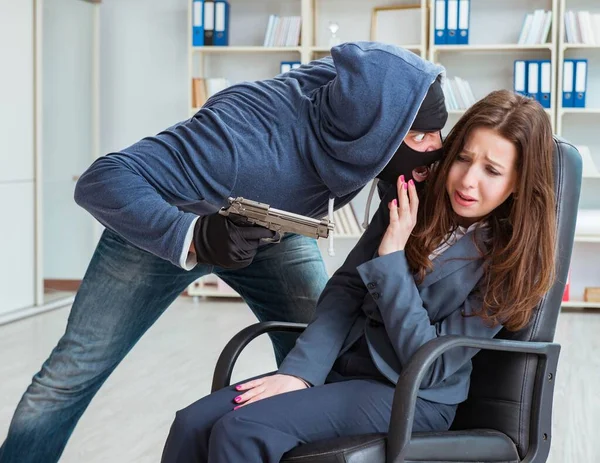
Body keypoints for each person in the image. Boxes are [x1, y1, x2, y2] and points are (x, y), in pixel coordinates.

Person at [0, 42, 448, 463]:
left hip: (274, 229)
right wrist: (194, 235)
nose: (436, 147)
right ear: (378, 130)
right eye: (423, 135)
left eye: (437, 133)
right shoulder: (237, 142)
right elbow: (100, 179)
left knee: (317, 355)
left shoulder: (361, 101)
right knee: (74, 370)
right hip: (171, 221)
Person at [160, 89, 558, 463]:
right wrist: (300, 373)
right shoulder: (410, 202)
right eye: (463, 159)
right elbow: (345, 290)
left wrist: (392, 261)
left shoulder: (513, 259)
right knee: (192, 423)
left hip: (411, 393)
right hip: (342, 368)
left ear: (519, 183)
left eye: (492, 170)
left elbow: (432, 363)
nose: (469, 180)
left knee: (242, 430)